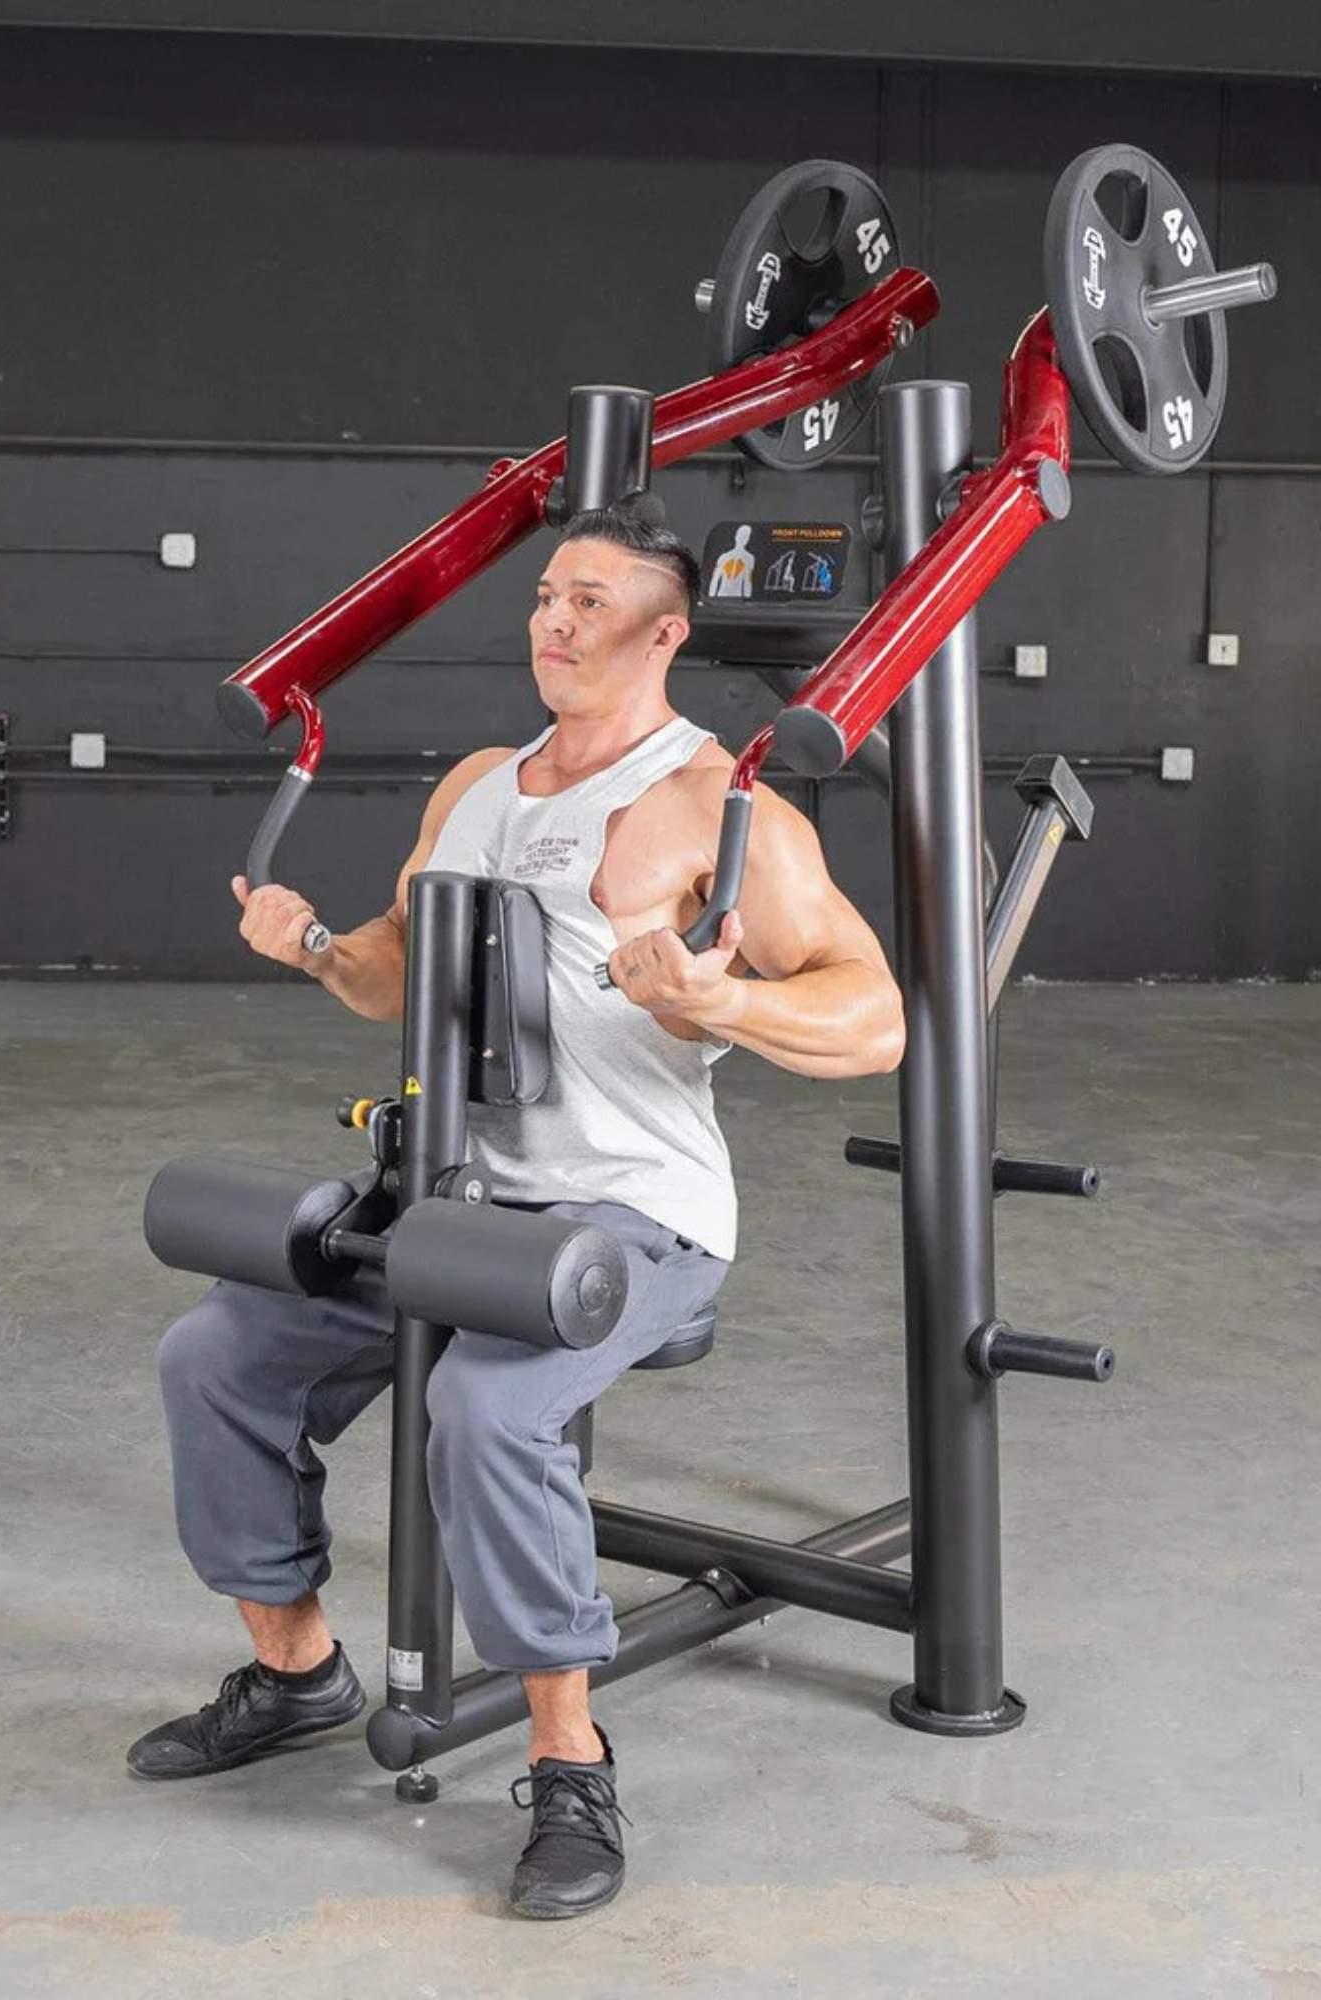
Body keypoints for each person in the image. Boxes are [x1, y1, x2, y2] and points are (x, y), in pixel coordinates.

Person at [136, 505, 905, 1918]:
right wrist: (310, 945)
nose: (554, 622)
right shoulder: (482, 785)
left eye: (592, 603)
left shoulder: (717, 808)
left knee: (487, 1410)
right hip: (452, 1199)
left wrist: (720, 997)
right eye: (548, 596)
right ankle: (299, 1671)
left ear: (663, 634)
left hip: (635, 1219)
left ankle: (569, 1762)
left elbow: (876, 1020)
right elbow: (392, 971)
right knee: (218, 1357)